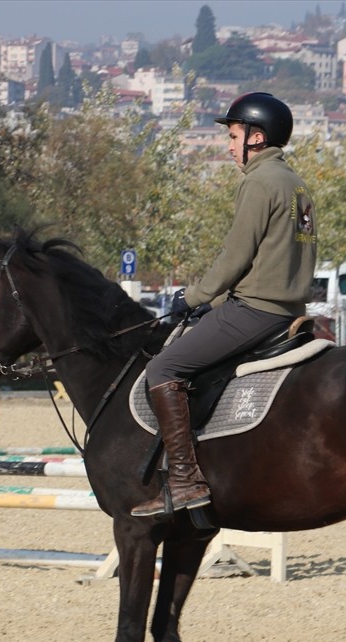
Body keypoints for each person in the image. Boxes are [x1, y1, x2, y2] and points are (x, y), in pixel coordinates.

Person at [132, 92, 318, 517]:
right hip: (289, 310)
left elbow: (235, 257)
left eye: (234, 136)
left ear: (257, 137)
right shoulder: (296, 183)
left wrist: (192, 297)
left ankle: (183, 481)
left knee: (162, 367)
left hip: (255, 310)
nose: (229, 145)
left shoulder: (259, 181)